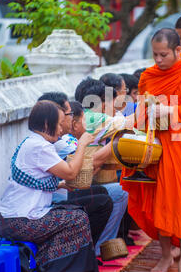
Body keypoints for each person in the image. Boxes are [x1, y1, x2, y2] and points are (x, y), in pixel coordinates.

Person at [121, 28, 181, 272]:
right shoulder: (149, 75)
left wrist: (170, 110)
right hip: (156, 145)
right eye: (155, 55)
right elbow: (141, 105)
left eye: (164, 55)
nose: (158, 60)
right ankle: (164, 255)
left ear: (178, 50)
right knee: (158, 201)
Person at [0, 100, 99, 272]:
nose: (61, 129)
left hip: (15, 218)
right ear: (45, 124)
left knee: (76, 213)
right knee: (77, 218)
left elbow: (33, 181)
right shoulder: (39, 146)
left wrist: (58, 185)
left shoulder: (33, 142)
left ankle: (52, 262)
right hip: (21, 220)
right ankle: (50, 266)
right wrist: (82, 145)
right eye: (58, 124)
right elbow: (71, 173)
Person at [37, 92, 114, 252]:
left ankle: (86, 251)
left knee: (101, 193)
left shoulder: (51, 140)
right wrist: (85, 145)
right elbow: (76, 172)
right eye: (68, 114)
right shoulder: (46, 144)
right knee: (103, 202)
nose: (70, 120)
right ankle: (85, 251)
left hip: (54, 196)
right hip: (41, 208)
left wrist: (61, 184)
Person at [53, 100, 130, 254]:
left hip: (68, 189)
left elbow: (86, 171)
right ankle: (96, 248)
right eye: (83, 120)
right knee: (104, 200)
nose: (85, 124)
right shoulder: (63, 141)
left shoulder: (72, 139)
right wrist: (116, 141)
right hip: (58, 198)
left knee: (120, 190)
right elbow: (81, 174)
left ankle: (104, 245)